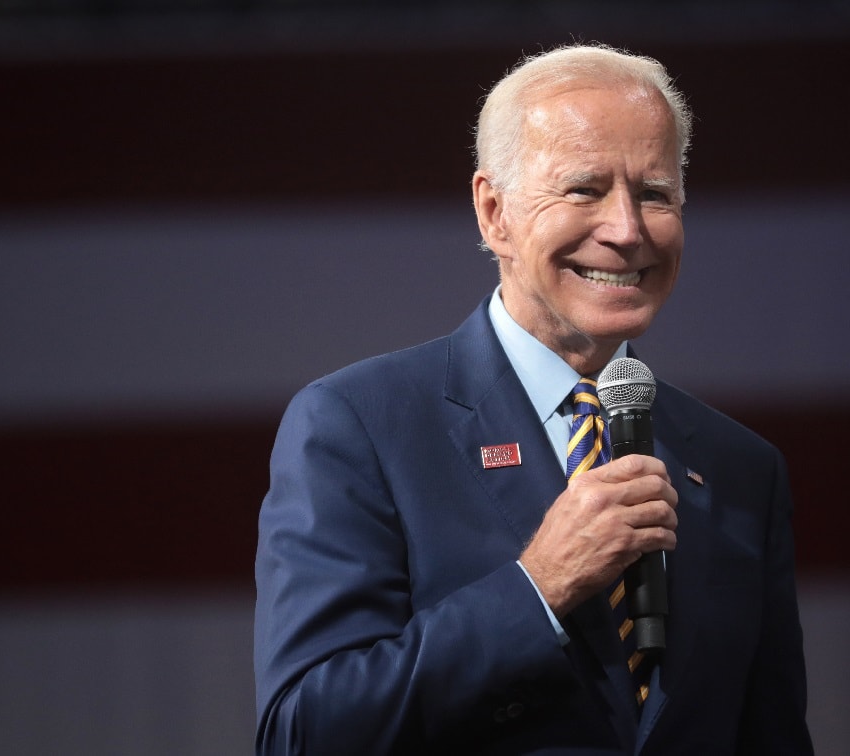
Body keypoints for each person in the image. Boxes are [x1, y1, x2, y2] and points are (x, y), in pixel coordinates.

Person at [254, 43, 813, 755]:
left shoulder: (740, 467)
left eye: (654, 194)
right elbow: (303, 733)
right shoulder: (361, 427)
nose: (626, 229)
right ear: (495, 213)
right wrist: (537, 585)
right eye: (583, 189)